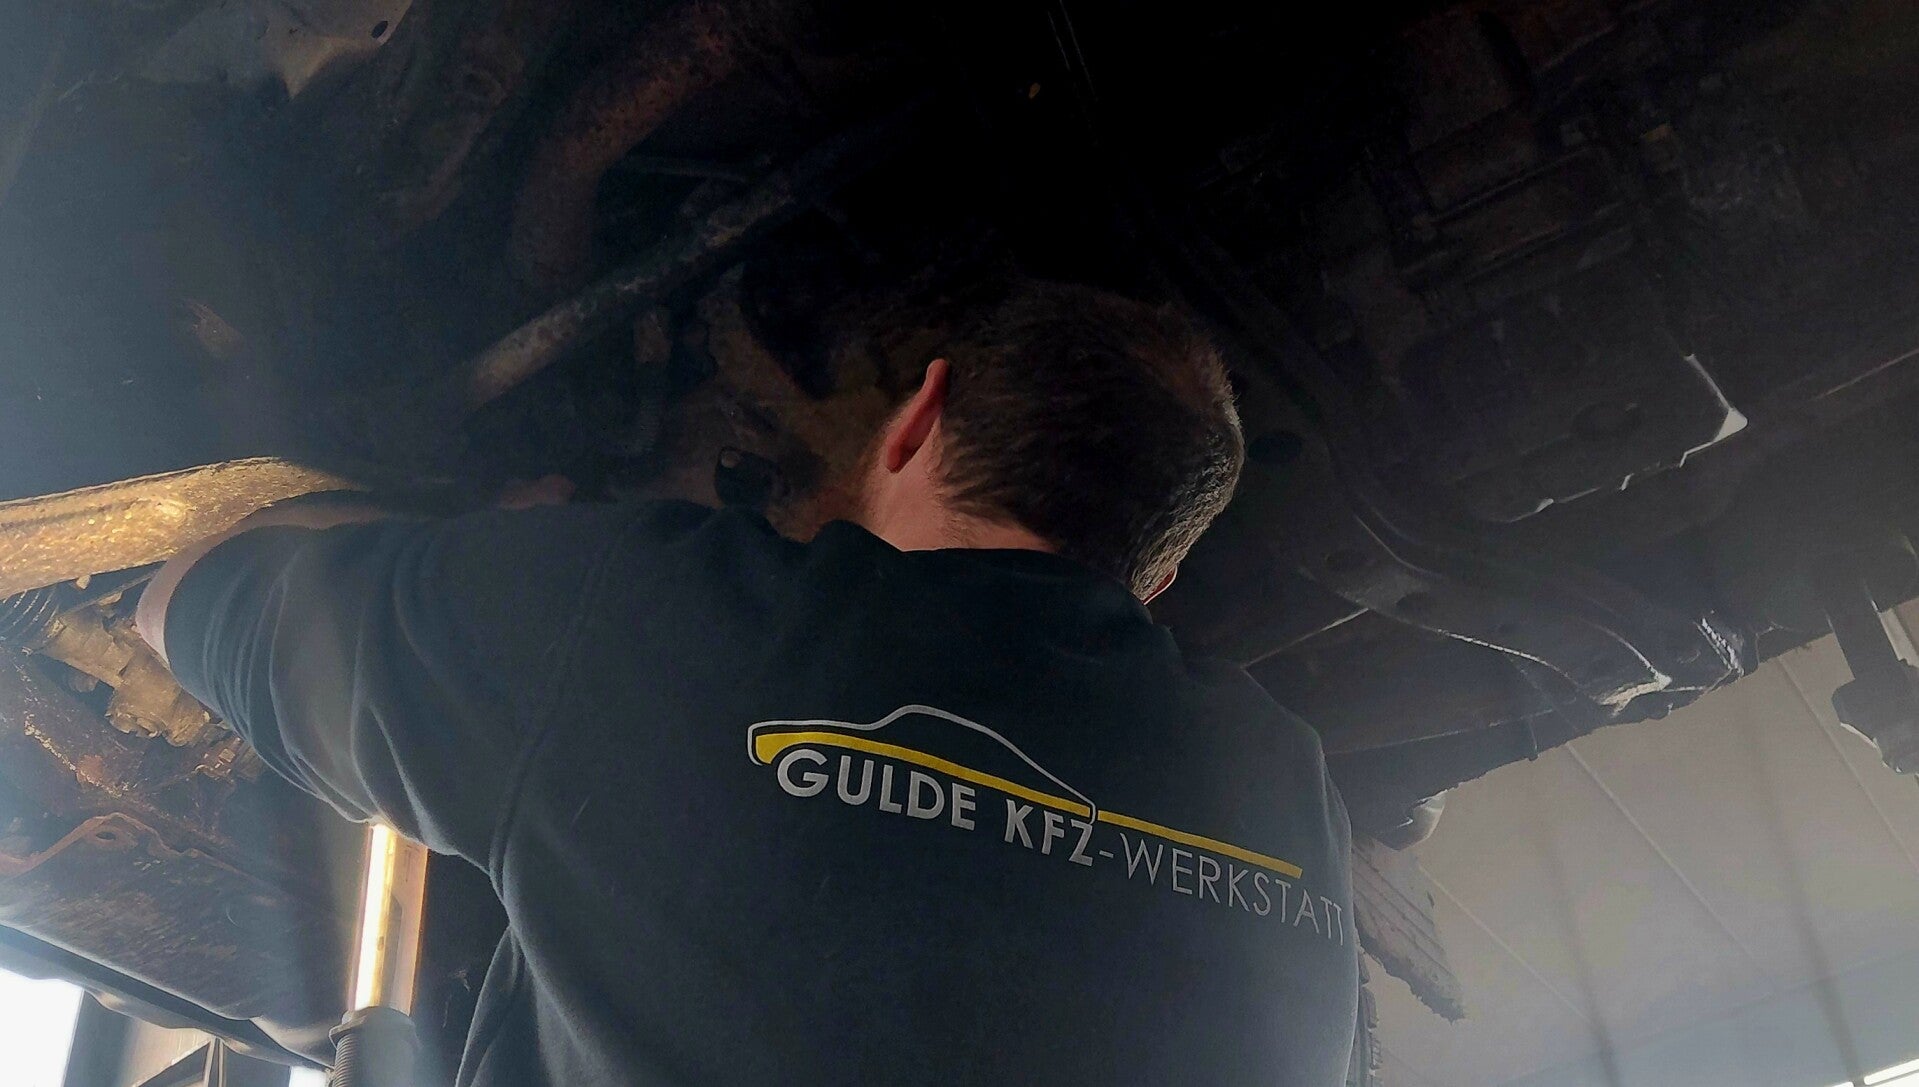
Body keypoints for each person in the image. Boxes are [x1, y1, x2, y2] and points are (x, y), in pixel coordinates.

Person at [138, 281, 1359, 1085]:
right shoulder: (1289, 795)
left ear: (916, 419)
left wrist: (487, 554)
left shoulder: (650, 618)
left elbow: (186, 593)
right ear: (1159, 570)